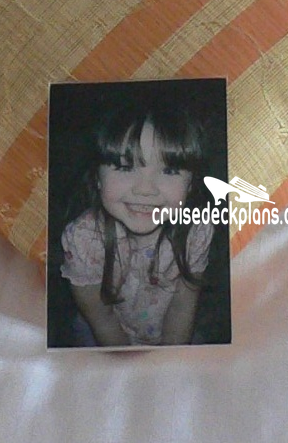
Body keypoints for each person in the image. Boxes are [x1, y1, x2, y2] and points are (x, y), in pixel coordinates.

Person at [59, 89, 217, 347]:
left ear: (191, 185)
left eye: (170, 170)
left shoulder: (195, 231)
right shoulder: (83, 241)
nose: (145, 190)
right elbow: (102, 320)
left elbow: (183, 306)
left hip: (167, 330)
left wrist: (169, 362)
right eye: (124, 167)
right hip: (105, 336)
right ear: (97, 177)